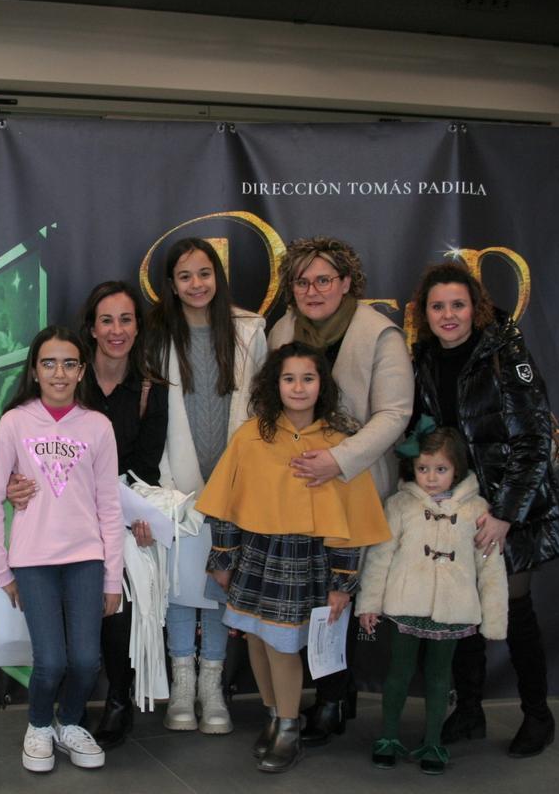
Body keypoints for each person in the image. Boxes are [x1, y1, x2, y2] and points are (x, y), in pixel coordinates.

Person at [199, 342, 390, 772]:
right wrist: (224, 559)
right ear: (275, 384)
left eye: (308, 378)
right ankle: (273, 716)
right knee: (255, 639)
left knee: (284, 644)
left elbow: (350, 521)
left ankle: (289, 727)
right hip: (255, 555)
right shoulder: (252, 434)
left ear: (322, 384)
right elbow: (228, 503)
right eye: (289, 378)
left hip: (304, 560)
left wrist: (343, 583)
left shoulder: (340, 442)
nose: (298, 387)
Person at [408, 262, 559, 758]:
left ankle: (538, 715)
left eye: (458, 305)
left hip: (508, 509)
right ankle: (470, 710)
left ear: (475, 307)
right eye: (438, 306)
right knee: (461, 612)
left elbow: (536, 440)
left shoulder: (505, 354)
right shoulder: (424, 358)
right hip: (455, 505)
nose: (448, 315)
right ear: (425, 313)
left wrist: (504, 513)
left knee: (516, 611)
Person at [265, 236, 413, 745]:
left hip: (354, 482)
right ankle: (334, 692)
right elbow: (269, 400)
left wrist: (339, 459)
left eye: (323, 279)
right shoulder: (283, 329)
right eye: (302, 281)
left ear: (347, 282)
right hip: (297, 482)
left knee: (338, 592)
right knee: (310, 590)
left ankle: (330, 701)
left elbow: (394, 413)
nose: (312, 290)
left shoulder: (380, 334)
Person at [7, 281, 168, 749]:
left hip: (122, 515)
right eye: (106, 320)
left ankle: (117, 702)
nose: (116, 330)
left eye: (126, 319)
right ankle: (45, 722)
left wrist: (139, 515)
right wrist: (19, 488)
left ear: (139, 327)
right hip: (60, 523)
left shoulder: (149, 390)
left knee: (114, 614)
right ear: (91, 329)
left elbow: (147, 465)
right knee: (56, 649)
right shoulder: (69, 383)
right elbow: (29, 452)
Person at [0, 325, 124, 773]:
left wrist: (112, 576)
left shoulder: (98, 426)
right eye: (48, 363)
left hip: (86, 559)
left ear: (82, 370)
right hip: (34, 563)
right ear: (35, 370)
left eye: (68, 363)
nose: (58, 373)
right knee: (51, 661)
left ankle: (70, 723)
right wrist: (2, 571)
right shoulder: (15, 422)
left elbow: (109, 505)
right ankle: (39, 724)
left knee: (84, 660)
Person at [145, 237, 267, 735]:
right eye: (185, 276)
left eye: (204, 273)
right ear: (171, 285)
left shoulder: (247, 330)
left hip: (237, 481)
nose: (196, 285)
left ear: (218, 275)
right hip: (177, 483)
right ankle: (182, 685)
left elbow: (261, 409)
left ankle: (213, 686)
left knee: (221, 584)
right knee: (180, 588)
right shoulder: (157, 336)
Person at [357, 423, 508, 774]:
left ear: (457, 468)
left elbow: (490, 568)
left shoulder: (477, 510)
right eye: (423, 469)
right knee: (398, 673)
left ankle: (433, 742)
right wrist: (369, 603)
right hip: (404, 605)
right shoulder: (399, 505)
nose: (430, 477)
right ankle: (389, 737)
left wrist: (494, 618)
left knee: (440, 677)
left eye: (440, 469)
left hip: (453, 610)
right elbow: (380, 557)